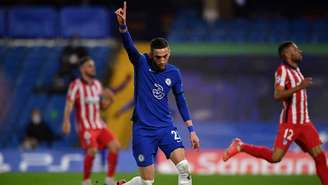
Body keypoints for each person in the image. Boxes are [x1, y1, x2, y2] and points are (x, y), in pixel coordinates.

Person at [115, 2, 200, 185]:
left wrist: (191, 130)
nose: (162, 60)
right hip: (143, 129)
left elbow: (181, 101)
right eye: (158, 56)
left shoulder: (174, 73)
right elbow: (129, 46)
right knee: (147, 182)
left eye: (165, 56)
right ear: (151, 55)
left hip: (165, 127)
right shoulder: (141, 63)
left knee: (184, 168)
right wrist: (123, 27)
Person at [223, 41, 328, 185]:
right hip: (290, 123)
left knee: (320, 157)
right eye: (295, 49)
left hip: (305, 122)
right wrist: (299, 87)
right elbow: (277, 95)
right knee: (275, 157)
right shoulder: (282, 71)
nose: (300, 51)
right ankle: (240, 146)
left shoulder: (297, 70)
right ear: (286, 54)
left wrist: (299, 86)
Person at [62, 56, 120, 185]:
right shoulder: (75, 85)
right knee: (92, 150)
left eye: (93, 65)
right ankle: (86, 181)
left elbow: (101, 107)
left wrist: (110, 100)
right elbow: (69, 103)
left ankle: (109, 180)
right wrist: (66, 121)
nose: (93, 68)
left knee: (115, 146)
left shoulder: (97, 85)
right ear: (82, 69)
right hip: (85, 127)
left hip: (99, 124)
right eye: (89, 66)